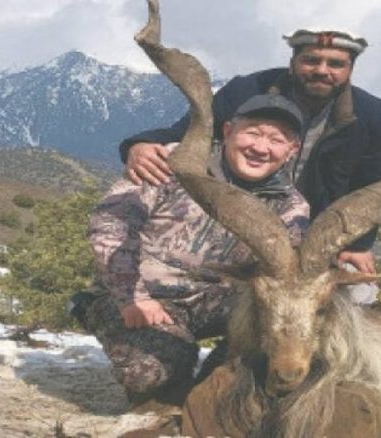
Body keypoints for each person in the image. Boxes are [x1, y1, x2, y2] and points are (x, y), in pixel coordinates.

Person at [77, 94, 309, 406]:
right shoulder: (173, 164)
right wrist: (132, 296)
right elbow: (110, 224)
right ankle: (161, 373)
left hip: (222, 304)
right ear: (227, 131)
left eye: (276, 140)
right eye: (252, 133)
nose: (260, 148)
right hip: (143, 297)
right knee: (150, 372)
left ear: (291, 151)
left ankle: (218, 378)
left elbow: (286, 273)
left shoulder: (291, 207)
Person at [119, 28, 381, 277]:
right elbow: (188, 132)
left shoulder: (371, 114)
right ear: (293, 63)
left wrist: (359, 245)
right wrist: (140, 144)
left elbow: (374, 188)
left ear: (350, 70)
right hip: (242, 222)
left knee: (357, 290)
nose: (322, 70)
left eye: (336, 64)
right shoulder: (246, 90)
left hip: (317, 236)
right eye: (311, 60)